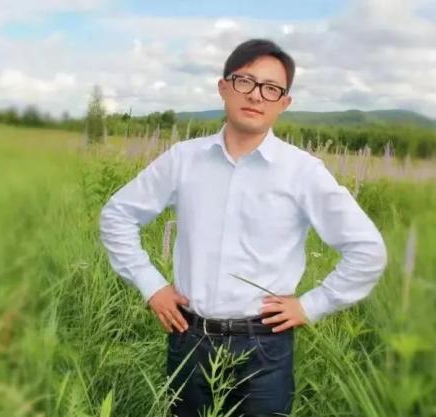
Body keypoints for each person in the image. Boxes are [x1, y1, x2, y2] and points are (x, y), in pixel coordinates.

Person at [99, 38, 388, 417]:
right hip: (189, 339)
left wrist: (311, 305)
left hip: (265, 348)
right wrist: (151, 285)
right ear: (224, 87)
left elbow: (367, 250)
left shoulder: (302, 172)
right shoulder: (183, 160)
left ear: (284, 103)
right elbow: (117, 215)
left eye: (271, 88)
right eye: (245, 81)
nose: (255, 95)